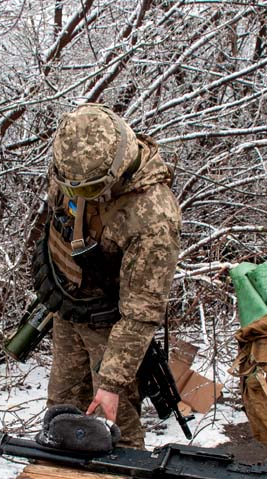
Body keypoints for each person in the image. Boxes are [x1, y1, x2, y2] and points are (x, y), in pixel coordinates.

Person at [31, 103, 181, 448]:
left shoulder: (152, 217)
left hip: (113, 328)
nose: (73, 195)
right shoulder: (75, 162)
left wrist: (112, 382)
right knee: (61, 411)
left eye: (85, 191)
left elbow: (141, 312)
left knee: (116, 425)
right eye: (68, 185)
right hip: (69, 306)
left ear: (115, 170)